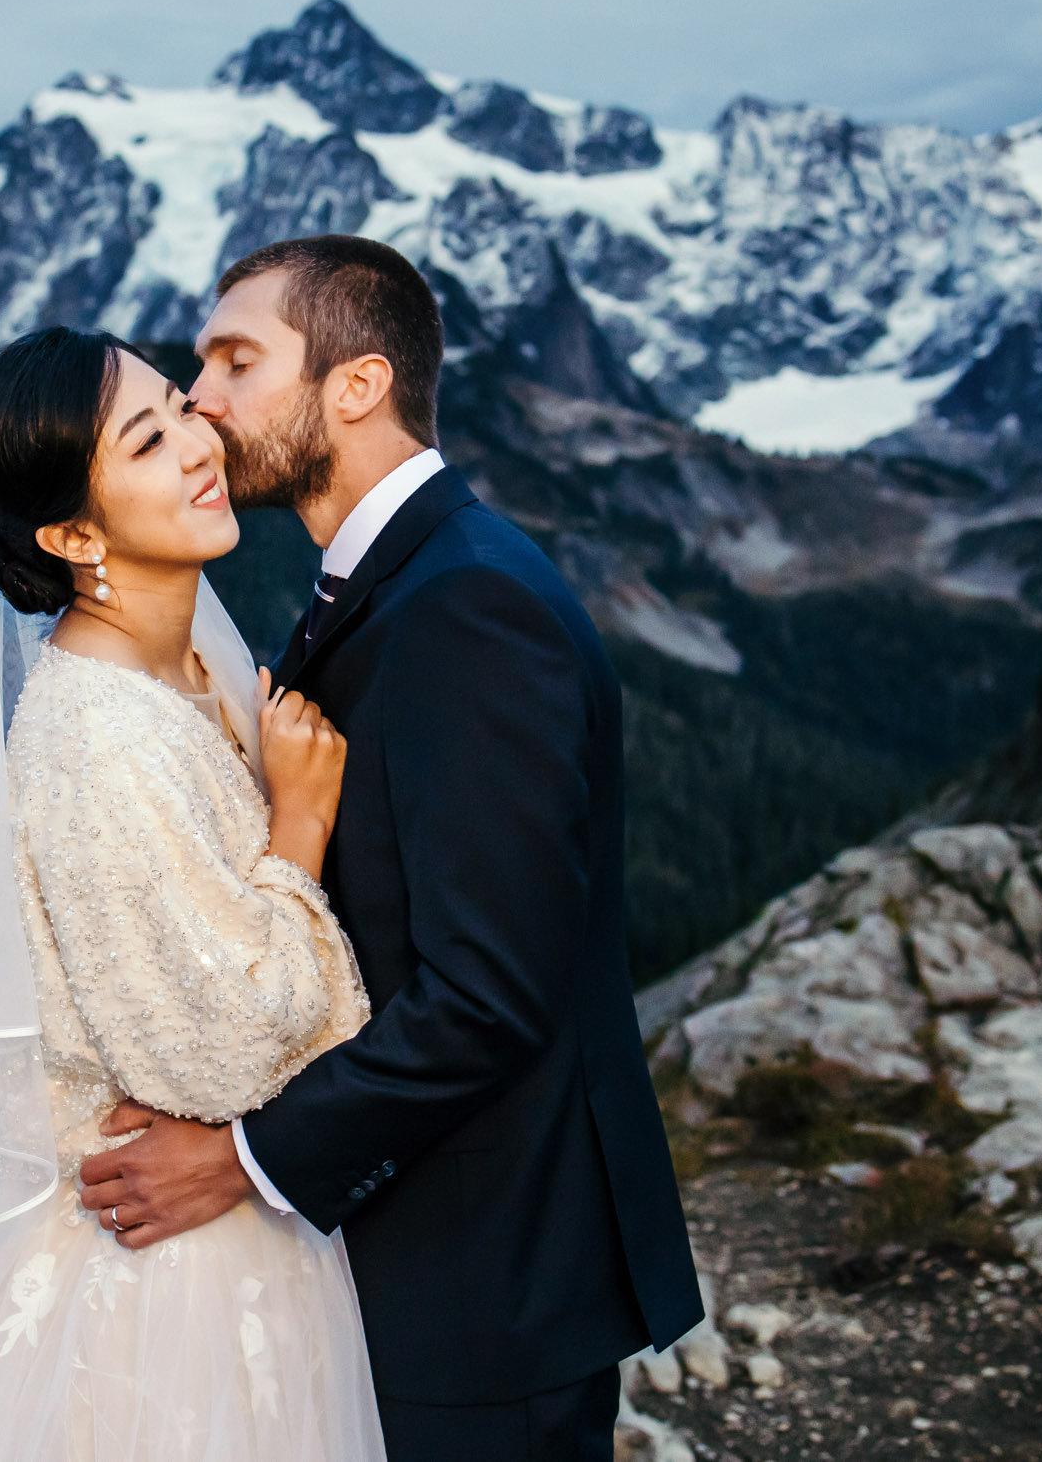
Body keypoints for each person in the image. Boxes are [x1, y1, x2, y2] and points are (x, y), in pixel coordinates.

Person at [74, 235, 705, 1462]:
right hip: (432, 1262)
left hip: (483, 1288)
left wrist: (243, 1159)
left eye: (235, 360)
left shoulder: (467, 607)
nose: (200, 398)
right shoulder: (391, 581)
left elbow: (490, 991)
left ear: (353, 385)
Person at [0, 327, 387, 1461]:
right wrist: (299, 825)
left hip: (224, 1240)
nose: (198, 442)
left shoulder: (173, 672)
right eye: (148, 437)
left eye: (182, 406)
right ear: (74, 532)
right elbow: (221, 1054)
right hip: (159, 1288)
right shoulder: (96, 737)